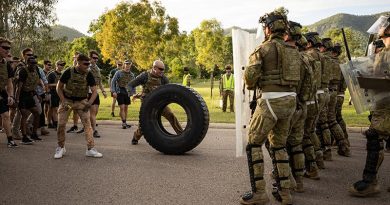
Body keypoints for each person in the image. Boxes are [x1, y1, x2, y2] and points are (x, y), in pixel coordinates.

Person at [240, 9, 299, 205]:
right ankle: (285, 193)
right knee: (279, 145)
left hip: (270, 102)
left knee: (253, 144)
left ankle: (259, 193)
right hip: (290, 103)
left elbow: (250, 79)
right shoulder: (295, 51)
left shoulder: (263, 49)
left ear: (269, 29)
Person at [349, 18, 390, 197]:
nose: (380, 27)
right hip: (383, 102)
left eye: (383, 25)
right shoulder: (384, 53)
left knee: (374, 137)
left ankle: (369, 182)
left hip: (386, 104)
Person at [54, 53, 103, 159]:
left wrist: (89, 103)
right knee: (61, 124)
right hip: (67, 100)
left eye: (89, 64)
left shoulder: (89, 74)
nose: (88, 66)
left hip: (82, 101)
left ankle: (90, 149)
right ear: (78, 62)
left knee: (87, 125)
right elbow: (59, 87)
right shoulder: (68, 71)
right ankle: (60, 147)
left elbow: (94, 91)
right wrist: (63, 101)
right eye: (85, 64)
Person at [129, 60, 183, 145]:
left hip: (160, 103)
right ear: (154, 68)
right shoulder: (144, 76)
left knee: (171, 116)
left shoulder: (163, 78)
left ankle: (182, 135)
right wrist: (132, 94)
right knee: (143, 126)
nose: (162, 71)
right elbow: (131, 85)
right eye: (160, 69)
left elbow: (168, 90)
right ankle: (136, 136)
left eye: (163, 69)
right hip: (148, 105)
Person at [321, 38, 350, 157]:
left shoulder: (325, 60)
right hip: (335, 92)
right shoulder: (339, 64)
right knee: (332, 120)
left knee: (323, 123)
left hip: (327, 91)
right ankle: (343, 144)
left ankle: (326, 150)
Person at [14, 49, 41, 143]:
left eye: (35, 63)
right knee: (24, 115)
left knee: (37, 113)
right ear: (28, 63)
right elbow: (19, 86)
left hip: (30, 95)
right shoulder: (23, 71)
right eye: (32, 63)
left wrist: (37, 95)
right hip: (22, 95)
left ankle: (34, 134)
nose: (34, 65)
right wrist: (16, 100)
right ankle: (24, 137)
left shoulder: (35, 71)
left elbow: (32, 84)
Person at [84, 50, 107, 138]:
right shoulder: (86, 67)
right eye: (94, 58)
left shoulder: (97, 68)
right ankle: (94, 130)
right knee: (93, 112)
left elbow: (99, 81)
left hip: (95, 92)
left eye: (97, 58)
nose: (96, 60)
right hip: (88, 92)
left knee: (95, 112)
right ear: (90, 58)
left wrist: (103, 91)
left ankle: (87, 125)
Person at [0, 37, 18, 147]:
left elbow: (9, 82)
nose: (7, 50)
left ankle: (10, 139)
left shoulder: (6, 64)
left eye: (9, 48)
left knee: (6, 115)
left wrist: (11, 95)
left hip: (2, 92)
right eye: (5, 47)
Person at [111, 60, 135, 129]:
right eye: (126, 64)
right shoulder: (118, 73)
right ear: (124, 65)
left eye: (129, 64)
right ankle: (123, 123)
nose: (127, 65)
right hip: (120, 91)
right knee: (122, 107)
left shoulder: (131, 74)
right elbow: (113, 81)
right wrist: (113, 91)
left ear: (130, 65)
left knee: (126, 108)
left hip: (127, 92)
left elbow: (133, 84)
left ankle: (125, 121)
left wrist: (133, 93)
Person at [47, 60, 66, 130]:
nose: (62, 66)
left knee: (58, 109)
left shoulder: (63, 74)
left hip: (60, 93)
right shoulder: (51, 74)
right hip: (53, 93)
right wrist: (57, 85)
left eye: (63, 65)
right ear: (56, 65)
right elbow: (47, 84)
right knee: (54, 109)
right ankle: (55, 124)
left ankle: (55, 123)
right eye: (60, 65)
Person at [66, 51, 81, 133]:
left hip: (81, 93)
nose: (75, 59)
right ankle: (75, 126)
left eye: (77, 57)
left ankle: (84, 126)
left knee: (81, 110)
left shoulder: (83, 69)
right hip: (71, 93)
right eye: (74, 57)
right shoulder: (70, 69)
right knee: (70, 110)